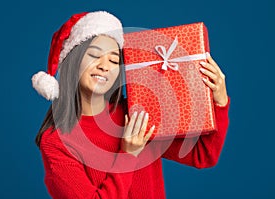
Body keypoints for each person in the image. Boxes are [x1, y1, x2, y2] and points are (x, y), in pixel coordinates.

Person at [32, 11, 230, 199]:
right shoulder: (56, 142)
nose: (104, 66)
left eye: (113, 60)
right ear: (72, 61)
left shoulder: (137, 112)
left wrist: (219, 102)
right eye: (94, 55)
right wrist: (128, 154)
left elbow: (203, 155)